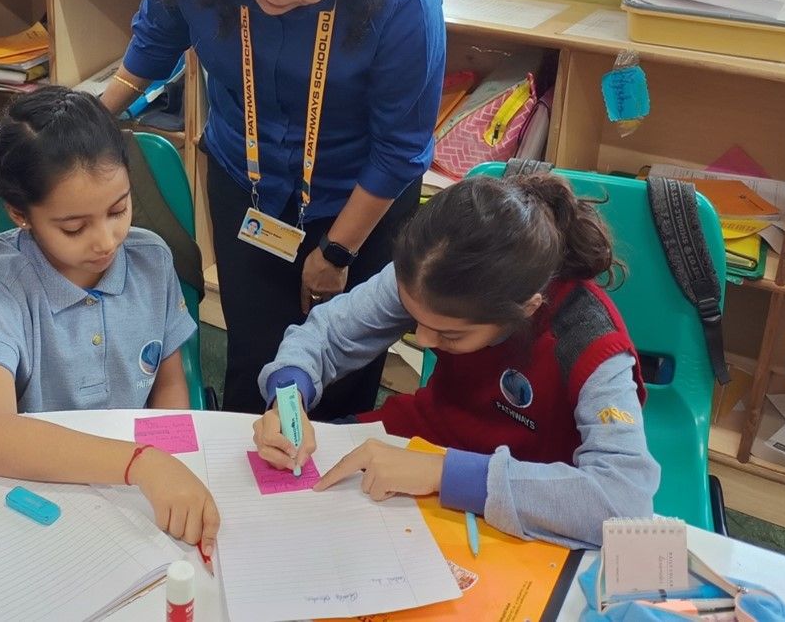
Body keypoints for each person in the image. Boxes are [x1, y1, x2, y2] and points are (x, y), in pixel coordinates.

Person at [100, 0, 445, 418]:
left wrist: (337, 253)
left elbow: (400, 148)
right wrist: (96, 117)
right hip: (248, 184)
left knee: (340, 379)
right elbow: (158, 36)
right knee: (254, 362)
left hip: (360, 200)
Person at [251, 174, 660, 549]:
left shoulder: (590, 343)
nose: (423, 340)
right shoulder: (427, 275)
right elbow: (326, 334)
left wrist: (441, 472)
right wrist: (289, 396)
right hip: (422, 439)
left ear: (527, 308)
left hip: (521, 490)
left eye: (449, 335)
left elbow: (624, 503)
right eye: (415, 319)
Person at [0, 86, 219, 554]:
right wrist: (141, 463)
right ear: (20, 214)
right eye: (74, 228)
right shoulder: (0, 283)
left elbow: (170, 385)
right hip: (41, 490)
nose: (106, 241)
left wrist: (170, 462)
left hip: (137, 495)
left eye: (119, 210)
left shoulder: (151, 259)